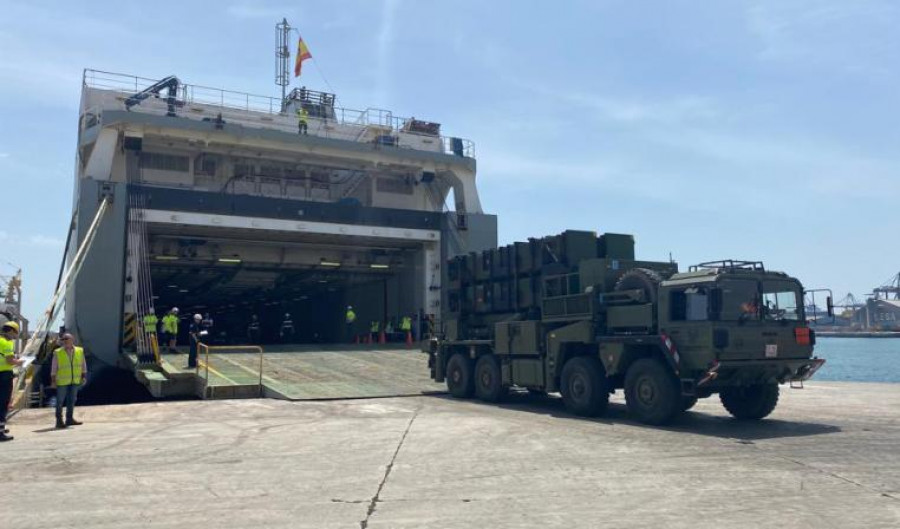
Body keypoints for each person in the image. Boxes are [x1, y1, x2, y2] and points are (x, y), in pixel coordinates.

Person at [51, 333, 86, 429]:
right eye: (63, 339)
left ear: (72, 339)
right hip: (62, 381)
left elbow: (83, 364)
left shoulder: (79, 350)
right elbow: (54, 368)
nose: (65, 341)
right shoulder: (58, 352)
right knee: (60, 402)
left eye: (67, 339)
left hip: (75, 380)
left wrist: (83, 376)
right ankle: (59, 421)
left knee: (72, 400)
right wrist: (53, 381)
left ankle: (69, 419)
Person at [0, 321, 24, 441]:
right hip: (4, 375)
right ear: (10, 331)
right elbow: (10, 361)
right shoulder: (7, 343)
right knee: (3, 403)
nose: (15, 336)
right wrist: (20, 362)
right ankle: (0, 432)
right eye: (15, 333)